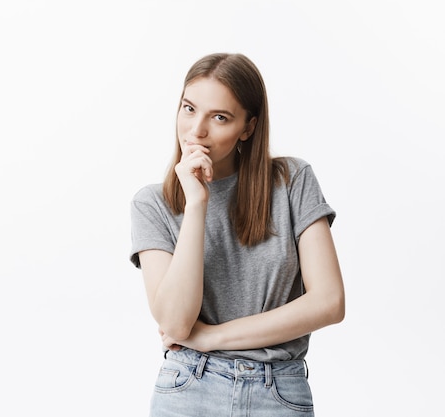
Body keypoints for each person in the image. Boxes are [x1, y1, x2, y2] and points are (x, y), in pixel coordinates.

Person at [129, 52, 345, 417]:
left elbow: (329, 303)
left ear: (248, 127)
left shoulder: (291, 181)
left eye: (219, 117)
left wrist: (211, 337)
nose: (196, 130)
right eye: (188, 108)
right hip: (189, 388)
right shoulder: (152, 203)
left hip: (278, 390)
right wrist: (196, 204)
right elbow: (176, 323)